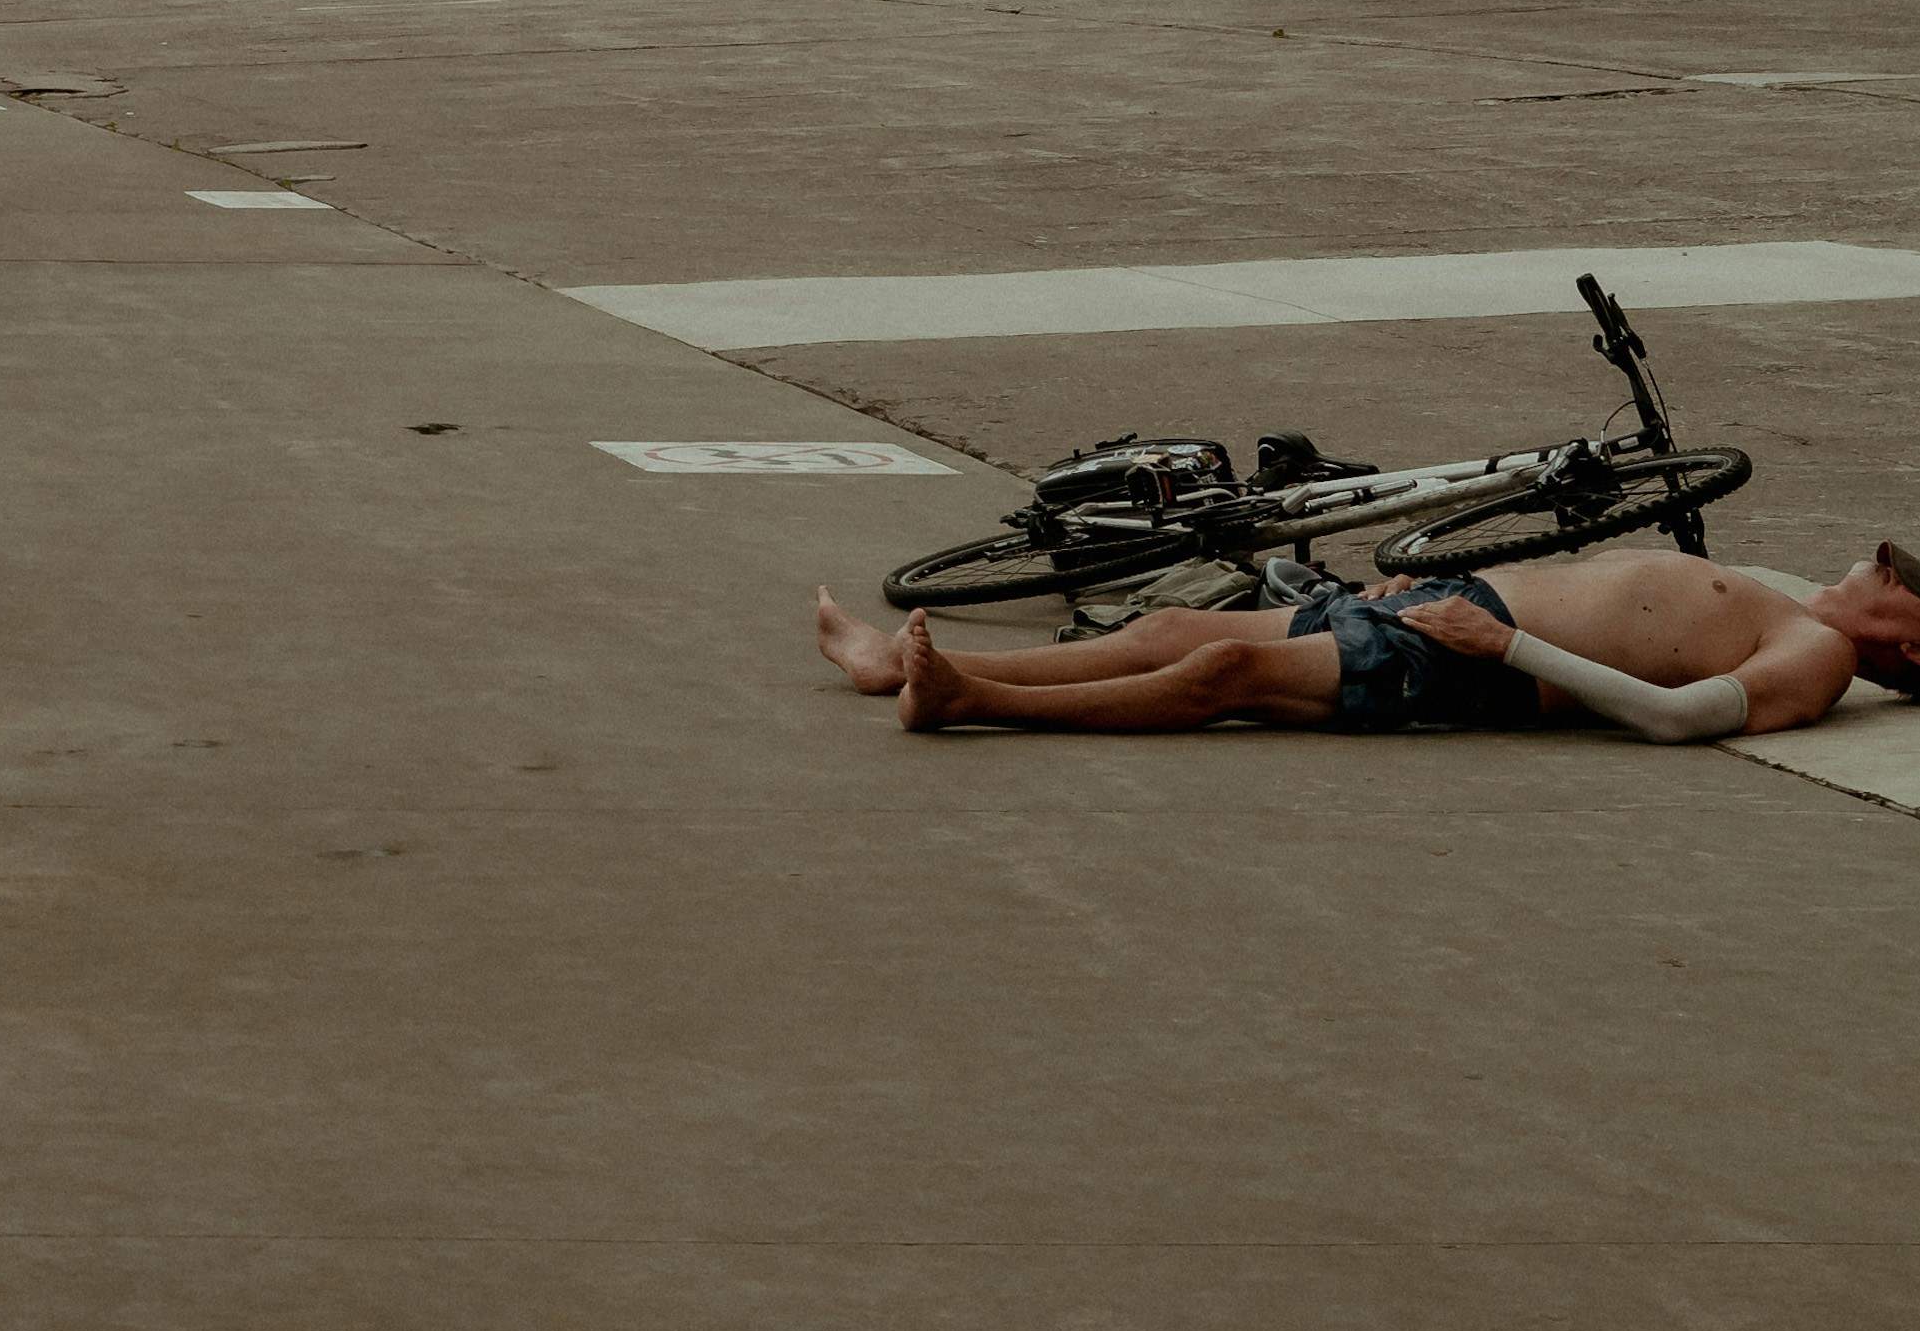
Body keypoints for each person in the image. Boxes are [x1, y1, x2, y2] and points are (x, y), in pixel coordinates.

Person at [812, 543, 1920, 739]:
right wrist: (1444, 592)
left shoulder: (1813, 658)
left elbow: (1677, 715)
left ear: (1910, 648)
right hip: (1444, 609)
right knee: (1169, 622)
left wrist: (1501, 649)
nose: (1876, 562)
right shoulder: (1783, 603)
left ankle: (967, 698)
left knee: (1220, 671)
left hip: (1466, 658)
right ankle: (893, 668)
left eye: (1900, 577)